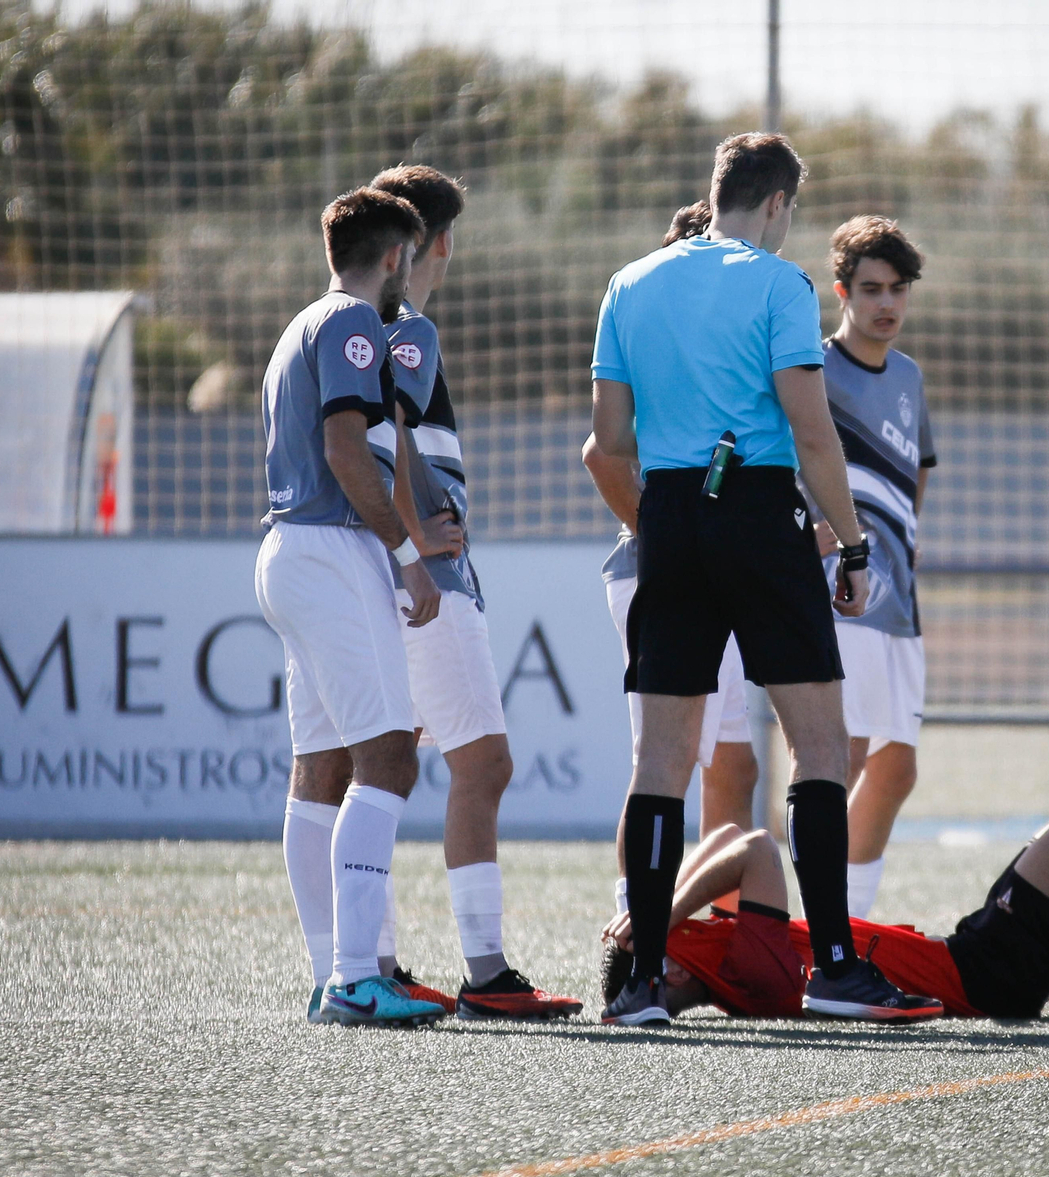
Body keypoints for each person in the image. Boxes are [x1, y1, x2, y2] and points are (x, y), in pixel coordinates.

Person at [590, 131, 942, 1026]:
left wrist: (669, 524)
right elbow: (811, 430)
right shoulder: (779, 283)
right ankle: (833, 969)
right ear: (780, 203)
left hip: (667, 513)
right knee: (821, 747)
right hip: (759, 510)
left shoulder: (631, 281)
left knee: (660, 758)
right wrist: (856, 547)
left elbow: (610, 439)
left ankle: (639, 985)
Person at [368, 163, 581, 1019]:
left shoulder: (346, 324)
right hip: (424, 574)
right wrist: (418, 533)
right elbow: (387, 432)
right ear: (435, 244)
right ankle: (485, 971)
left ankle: (369, 959)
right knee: (481, 763)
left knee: (373, 767)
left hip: (375, 571)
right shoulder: (408, 328)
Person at [255, 187, 448, 1028]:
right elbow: (345, 449)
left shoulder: (303, 323)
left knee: (323, 770)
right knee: (391, 761)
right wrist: (409, 554)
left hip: (290, 550)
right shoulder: (352, 325)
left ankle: (335, 970)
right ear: (395, 256)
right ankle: (352, 977)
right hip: (333, 549)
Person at [601, 804, 1049, 1022]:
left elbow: (722, 837)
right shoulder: (743, 969)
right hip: (978, 974)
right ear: (670, 967)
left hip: (971, 960)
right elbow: (753, 847)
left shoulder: (725, 952)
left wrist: (651, 907)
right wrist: (656, 919)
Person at [583, 200, 760, 904]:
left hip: (722, 577)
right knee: (664, 761)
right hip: (665, 573)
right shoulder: (656, 347)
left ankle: (721, 925)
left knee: (736, 765)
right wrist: (665, 537)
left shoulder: (725, 357)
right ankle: (638, 927)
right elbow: (600, 453)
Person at [808, 215, 936, 915]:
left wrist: (904, 541)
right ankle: (823, 933)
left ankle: (850, 922)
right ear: (842, 291)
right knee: (839, 756)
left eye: (898, 289)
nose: (886, 303)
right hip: (840, 593)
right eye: (871, 288)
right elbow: (794, 456)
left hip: (901, 602)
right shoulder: (814, 369)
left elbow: (917, 470)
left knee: (898, 764)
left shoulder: (911, 377)